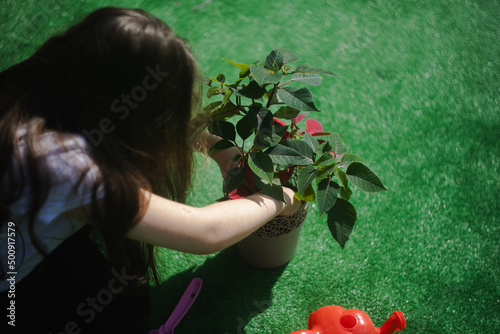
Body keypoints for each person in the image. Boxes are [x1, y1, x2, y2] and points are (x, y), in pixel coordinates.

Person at [0, 7, 300, 333]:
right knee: (120, 312)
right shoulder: (72, 172)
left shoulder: (28, 88)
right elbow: (205, 232)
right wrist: (278, 199)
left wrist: (216, 145)